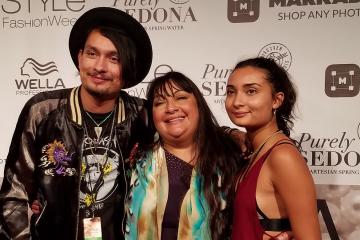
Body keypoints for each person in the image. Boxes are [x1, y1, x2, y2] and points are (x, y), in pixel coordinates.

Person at [0, 7, 153, 240]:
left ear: (128, 67)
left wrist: (230, 135)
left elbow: (194, 131)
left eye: (114, 58)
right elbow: (14, 194)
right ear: (79, 56)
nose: (100, 66)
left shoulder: (143, 115)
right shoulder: (43, 111)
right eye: (92, 53)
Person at [124, 71, 245, 240]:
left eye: (180, 98)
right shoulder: (137, 160)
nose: (171, 108)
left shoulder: (231, 159)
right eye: (159, 102)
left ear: (198, 105)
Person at [225, 57, 321, 239]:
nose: (237, 101)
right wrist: (232, 133)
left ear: (276, 100)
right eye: (231, 92)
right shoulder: (253, 152)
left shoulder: (282, 156)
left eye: (251, 91)